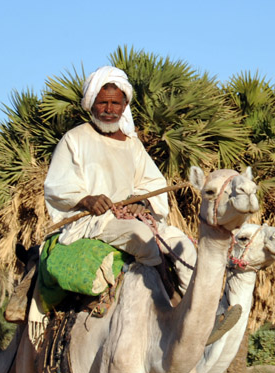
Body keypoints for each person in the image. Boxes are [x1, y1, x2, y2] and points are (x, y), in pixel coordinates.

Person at [43, 66, 196, 294]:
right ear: (91, 103)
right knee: (142, 237)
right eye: (102, 103)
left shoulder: (131, 144)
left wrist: (140, 202)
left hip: (132, 217)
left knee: (183, 245)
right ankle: (165, 299)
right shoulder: (74, 139)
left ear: (124, 106)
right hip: (94, 222)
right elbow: (56, 186)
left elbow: (152, 183)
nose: (109, 110)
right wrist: (86, 200)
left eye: (115, 104)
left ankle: (189, 310)